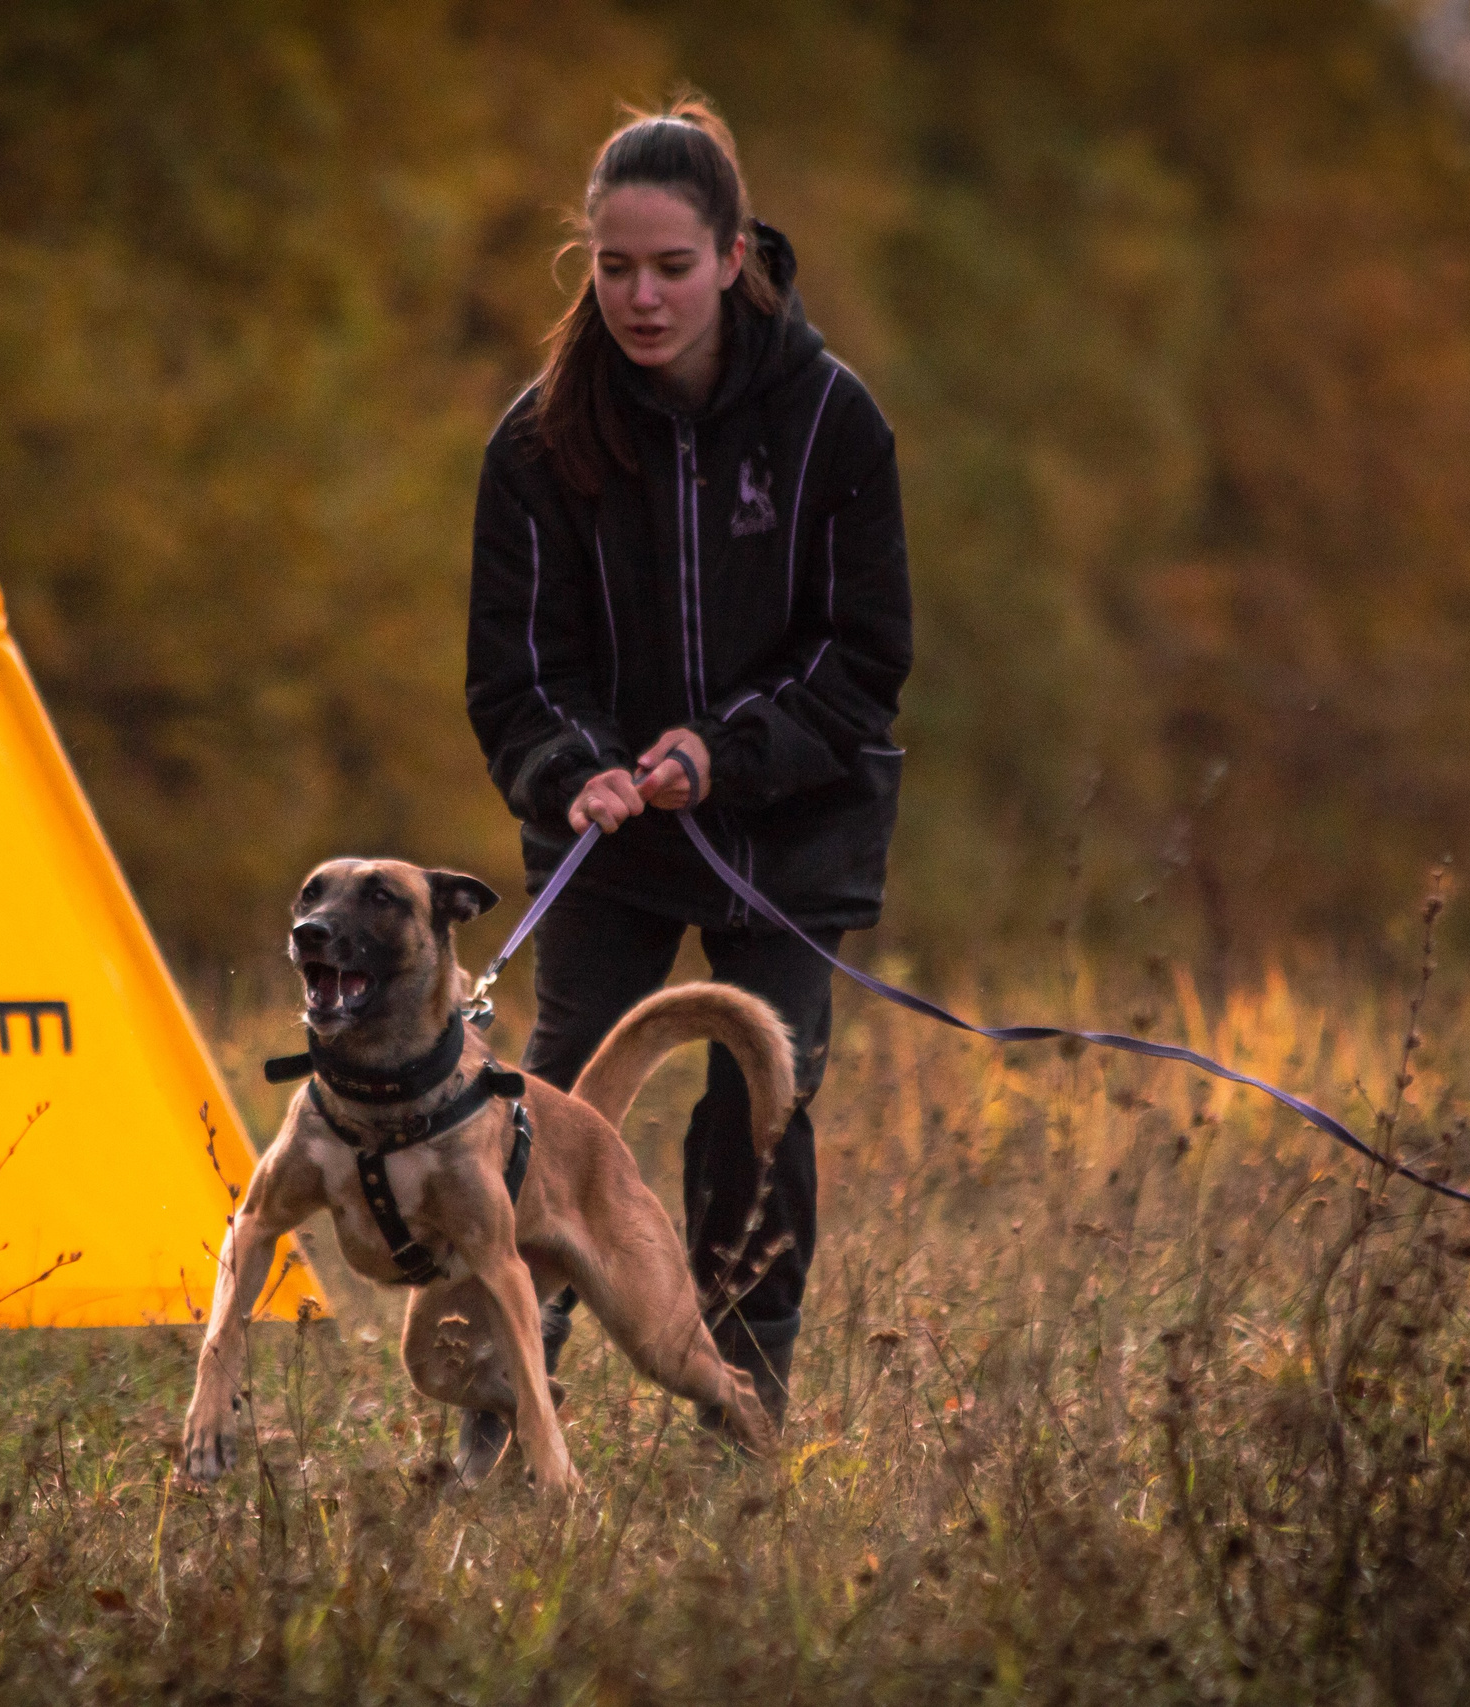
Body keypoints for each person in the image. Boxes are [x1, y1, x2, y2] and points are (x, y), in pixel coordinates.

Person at [464, 98, 912, 1472]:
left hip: (794, 824)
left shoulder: (833, 421)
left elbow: (863, 658)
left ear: (731, 256)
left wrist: (723, 747)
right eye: (614, 268)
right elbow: (515, 675)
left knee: (758, 1099)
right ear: (586, 266)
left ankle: (742, 1411)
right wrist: (576, 768)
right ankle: (504, 1414)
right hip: (612, 838)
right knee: (549, 1105)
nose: (641, 297)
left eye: (669, 266)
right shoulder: (536, 442)